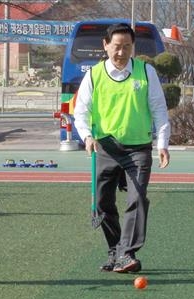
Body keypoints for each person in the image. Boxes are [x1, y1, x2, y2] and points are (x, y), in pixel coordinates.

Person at [73, 23, 171, 273]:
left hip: (138, 148)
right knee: (102, 203)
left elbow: (159, 110)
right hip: (105, 147)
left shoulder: (145, 72)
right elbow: (81, 112)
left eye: (127, 46)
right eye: (117, 46)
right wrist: (86, 137)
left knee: (137, 197)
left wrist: (162, 143)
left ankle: (127, 253)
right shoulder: (94, 75)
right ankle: (115, 249)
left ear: (133, 47)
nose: (121, 52)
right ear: (105, 45)